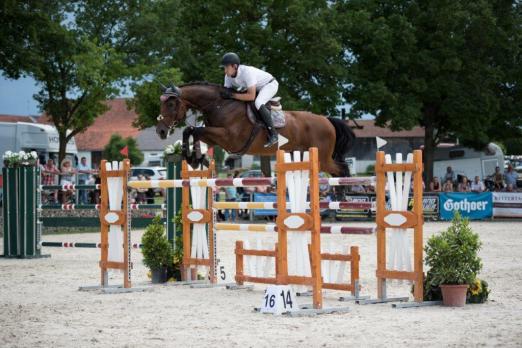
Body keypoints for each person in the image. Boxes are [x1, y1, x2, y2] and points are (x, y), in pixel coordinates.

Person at [219, 52, 279, 147]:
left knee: (258, 102)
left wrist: (232, 95)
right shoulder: (228, 77)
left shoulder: (247, 72)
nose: (225, 70)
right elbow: (227, 93)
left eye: (226, 67)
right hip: (257, 88)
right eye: (224, 68)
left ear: (234, 66)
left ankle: (273, 134)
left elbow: (251, 96)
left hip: (270, 85)